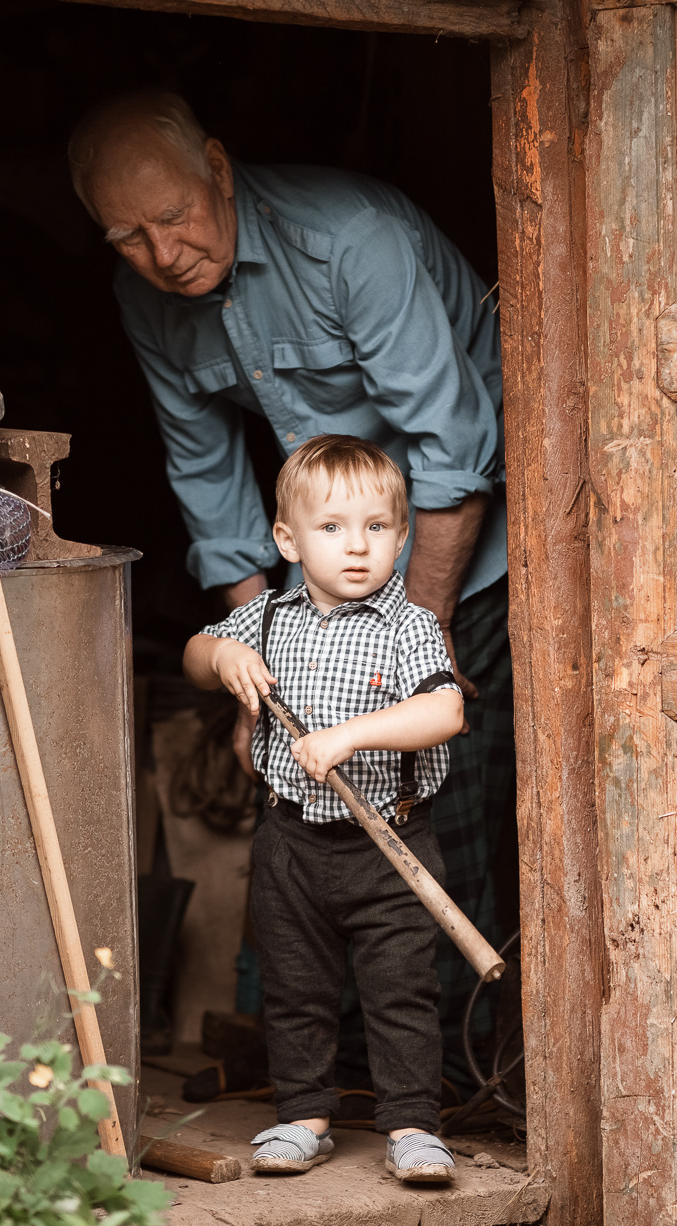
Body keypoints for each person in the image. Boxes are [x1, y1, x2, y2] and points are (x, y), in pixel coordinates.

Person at [68, 91, 515, 1086]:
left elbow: (450, 453)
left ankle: (451, 1071)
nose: (162, 252)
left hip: (457, 545)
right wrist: (257, 669)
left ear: (218, 169)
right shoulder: (142, 294)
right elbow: (209, 484)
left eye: (175, 215)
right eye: (128, 236)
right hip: (319, 575)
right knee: (306, 806)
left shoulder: (351, 240)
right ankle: (335, 1067)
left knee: (437, 800)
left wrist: (414, 642)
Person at [183, 436, 466, 1181]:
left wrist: (352, 735)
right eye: (332, 528)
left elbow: (444, 710)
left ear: (403, 540)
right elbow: (193, 655)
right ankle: (304, 1115)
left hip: (390, 842)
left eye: (377, 528)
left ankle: (411, 1125)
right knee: (296, 984)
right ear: (288, 539)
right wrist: (221, 658)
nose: (356, 548)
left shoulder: (409, 624)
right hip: (291, 841)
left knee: (400, 988)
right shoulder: (269, 619)